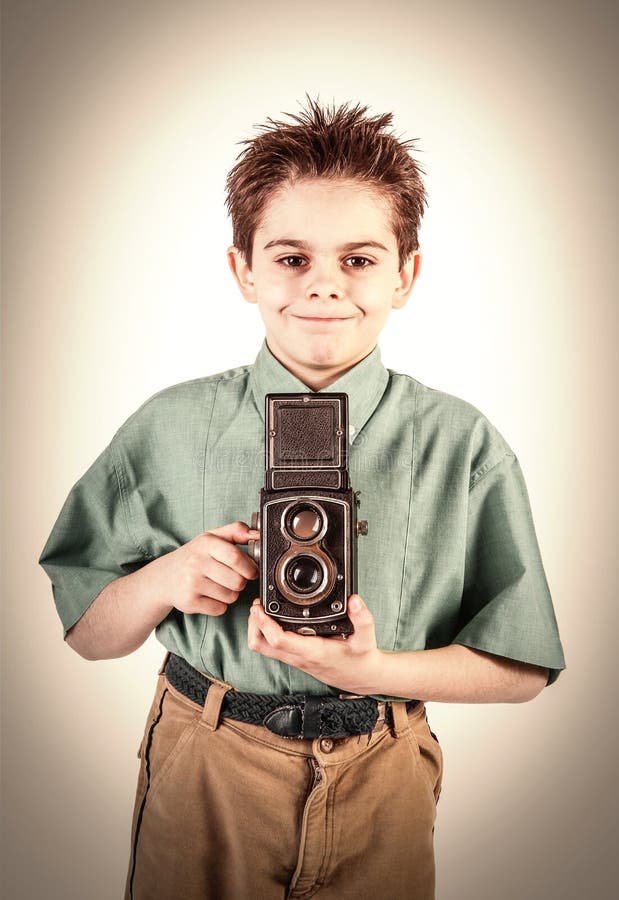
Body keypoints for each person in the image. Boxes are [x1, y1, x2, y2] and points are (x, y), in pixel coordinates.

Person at [39, 98, 565, 900]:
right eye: (290, 259)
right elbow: (86, 634)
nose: (323, 286)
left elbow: (521, 666)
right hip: (209, 766)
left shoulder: (461, 441)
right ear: (243, 269)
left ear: (406, 273)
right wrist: (162, 580)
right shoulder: (170, 424)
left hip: (381, 768)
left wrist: (372, 668)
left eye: (357, 260)